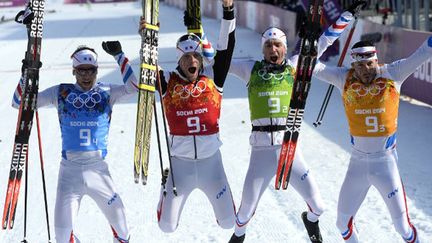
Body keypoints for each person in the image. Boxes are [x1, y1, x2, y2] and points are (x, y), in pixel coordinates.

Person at [227, 1, 366, 242]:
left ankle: (309, 221)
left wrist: (347, 15)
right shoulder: (250, 68)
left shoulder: (294, 67)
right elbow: (219, 61)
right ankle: (238, 238)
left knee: (319, 207)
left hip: (288, 148)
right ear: (263, 49)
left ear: (284, 48)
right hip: (260, 150)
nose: (273, 49)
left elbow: (323, 42)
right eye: (268, 45)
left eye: (277, 44)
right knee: (244, 214)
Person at [12, 41, 137, 243]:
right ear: (73, 71)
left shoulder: (107, 91)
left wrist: (120, 56)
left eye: (91, 70)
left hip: (99, 171)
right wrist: (26, 74)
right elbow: (18, 103)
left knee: (123, 232)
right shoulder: (61, 92)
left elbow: (134, 88)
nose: (86, 76)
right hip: (69, 174)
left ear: (97, 70)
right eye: (81, 71)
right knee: (62, 238)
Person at [312, 35, 432, 243]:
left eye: (370, 64)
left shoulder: (393, 73)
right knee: (342, 223)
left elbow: (422, 53)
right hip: (357, 164)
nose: (366, 70)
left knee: (402, 227)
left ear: (376, 61)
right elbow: (312, 66)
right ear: (353, 65)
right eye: (360, 65)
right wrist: (316, 42)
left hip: (385, 164)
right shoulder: (344, 78)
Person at [140, 0, 237, 234]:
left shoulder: (213, 78)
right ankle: (165, 186)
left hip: (211, 164)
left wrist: (228, 10)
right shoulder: (168, 83)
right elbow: (147, 64)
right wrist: (146, 36)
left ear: (201, 59)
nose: (192, 61)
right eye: (186, 58)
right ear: (179, 61)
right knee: (167, 227)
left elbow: (227, 45)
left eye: (195, 56)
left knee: (229, 223)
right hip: (180, 165)